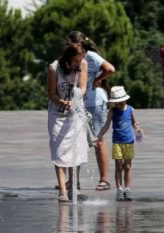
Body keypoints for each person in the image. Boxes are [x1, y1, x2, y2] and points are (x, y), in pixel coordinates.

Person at [66, 31, 115, 192]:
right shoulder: (72, 58)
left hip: (95, 102)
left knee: (97, 140)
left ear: (77, 43)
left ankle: (104, 180)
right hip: (81, 102)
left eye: (69, 43)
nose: (67, 46)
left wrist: (97, 80)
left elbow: (110, 69)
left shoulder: (91, 56)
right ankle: (74, 181)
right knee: (77, 140)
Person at [47, 44, 88, 202]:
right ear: (68, 58)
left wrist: (75, 99)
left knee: (76, 149)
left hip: (76, 112)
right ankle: (62, 191)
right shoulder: (54, 68)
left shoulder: (83, 64)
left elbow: (83, 87)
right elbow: (51, 94)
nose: (78, 63)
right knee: (60, 151)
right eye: (76, 61)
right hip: (57, 114)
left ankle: (74, 187)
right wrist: (63, 102)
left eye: (80, 60)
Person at [94, 86, 142, 201]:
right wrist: (98, 136)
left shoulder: (130, 109)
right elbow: (106, 125)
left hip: (129, 142)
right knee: (119, 166)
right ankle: (119, 189)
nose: (118, 105)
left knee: (128, 166)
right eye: (116, 103)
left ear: (124, 100)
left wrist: (138, 128)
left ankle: (128, 189)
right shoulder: (112, 111)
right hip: (117, 143)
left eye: (120, 103)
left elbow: (134, 123)